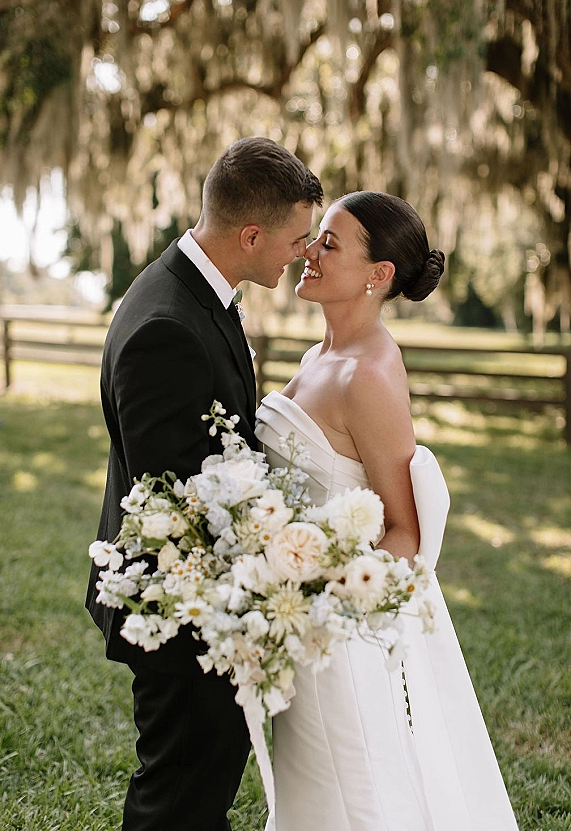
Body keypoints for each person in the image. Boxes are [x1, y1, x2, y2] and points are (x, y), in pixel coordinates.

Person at [255, 191, 520, 830]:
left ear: (379, 276)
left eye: (330, 243)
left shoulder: (368, 375)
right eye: (317, 236)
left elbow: (404, 530)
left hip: (333, 635)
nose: (309, 251)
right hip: (296, 623)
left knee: (353, 800)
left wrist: (326, 600)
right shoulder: (320, 356)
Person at [85, 137, 323, 831]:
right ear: (251, 235)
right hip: (181, 610)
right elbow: (179, 497)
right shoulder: (168, 324)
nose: (302, 253)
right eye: (296, 239)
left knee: (198, 789)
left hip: (201, 601)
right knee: (180, 799)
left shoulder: (194, 292)